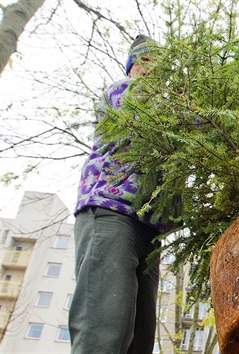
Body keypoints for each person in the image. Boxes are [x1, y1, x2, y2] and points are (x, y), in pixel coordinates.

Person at [69, 34, 165, 354]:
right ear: (133, 65)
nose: (153, 71)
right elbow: (148, 123)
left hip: (148, 228)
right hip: (110, 213)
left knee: (139, 341)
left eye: (160, 65)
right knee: (104, 334)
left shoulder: (166, 107)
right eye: (147, 61)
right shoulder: (123, 92)